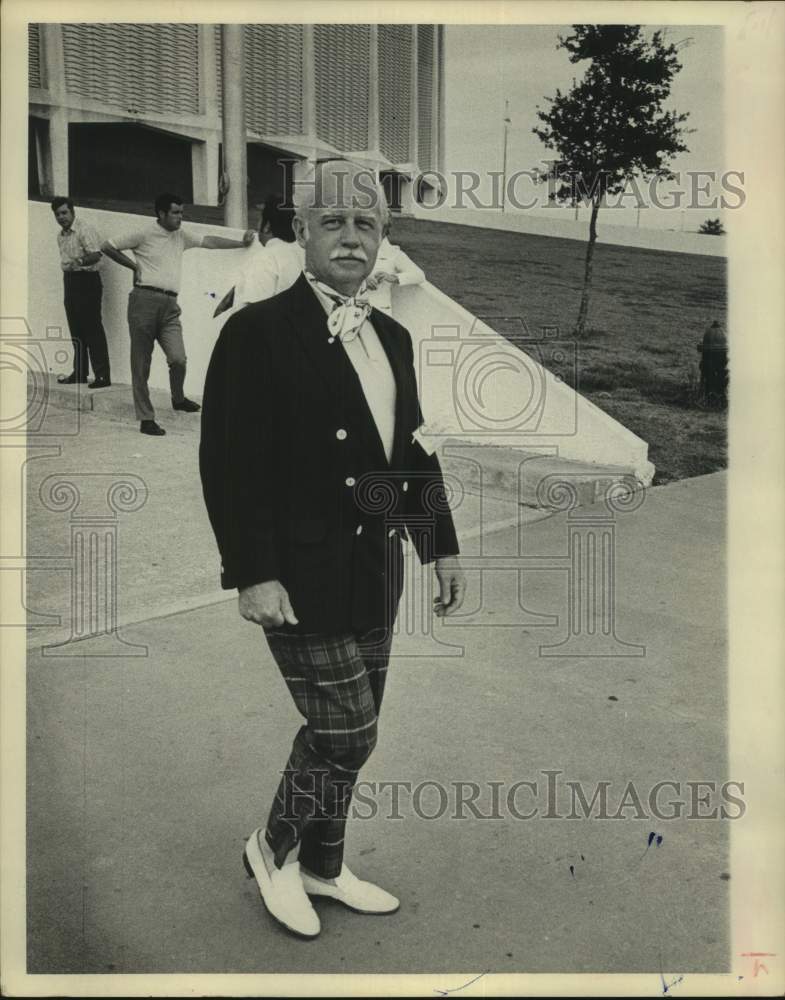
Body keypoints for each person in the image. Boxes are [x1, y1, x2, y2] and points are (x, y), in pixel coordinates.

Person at [199, 159, 466, 939]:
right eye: (334, 223)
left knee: (343, 735)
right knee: (346, 733)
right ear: (302, 231)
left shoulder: (393, 334)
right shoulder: (256, 332)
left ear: (383, 239)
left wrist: (439, 547)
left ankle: (323, 864)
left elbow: (413, 453)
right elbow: (228, 464)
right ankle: (271, 846)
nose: (352, 237)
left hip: (373, 568)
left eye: (367, 224)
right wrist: (251, 573)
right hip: (298, 574)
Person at [101, 193, 255, 436]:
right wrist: (134, 266)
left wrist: (241, 243)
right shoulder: (144, 233)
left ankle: (178, 398)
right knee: (141, 363)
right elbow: (107, 246)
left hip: (170, 306)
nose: (180, 217)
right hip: (144, 301)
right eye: (175, 213)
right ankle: (146, 418)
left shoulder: (181, 236)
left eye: (181, 213)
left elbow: (209, 242)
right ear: (161, 213)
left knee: (178, 358)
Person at [51, 197, 111, 388]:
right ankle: (80, 373)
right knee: (75, 328)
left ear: (72, 211)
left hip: (88, 281)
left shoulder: (85, 229)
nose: (61, 217)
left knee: (92, 327)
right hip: (70, 282)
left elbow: (96, 254)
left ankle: (102, 376)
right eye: (57, 214)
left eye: (64, 212)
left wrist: (79, 262)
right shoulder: (61, 236)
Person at [213, 193, 304, 317]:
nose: (256, 226)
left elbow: (251, 311)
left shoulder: (265, 258)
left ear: (267, 226)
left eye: (260, 219)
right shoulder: (301, 255)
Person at [364, 231, 426, 316]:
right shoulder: (353, 252)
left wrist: (393, 277)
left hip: (381, 309)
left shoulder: (393, 253)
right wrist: (363, 280)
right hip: (354, 310)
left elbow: (419, 275)